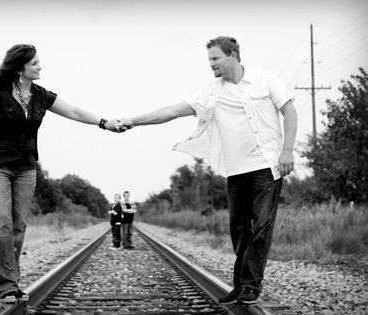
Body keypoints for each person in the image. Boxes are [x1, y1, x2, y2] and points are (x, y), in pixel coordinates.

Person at [117, 36, 297, 304]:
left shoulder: (266, 79)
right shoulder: (211, 91)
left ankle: (250, 286)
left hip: (266, 166)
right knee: (239, 230)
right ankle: (241, 285)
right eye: (209, 59)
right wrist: (133, 120)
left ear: (233, 55)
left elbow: (290, 112)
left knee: (261, 225)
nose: (210, 64)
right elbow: (170, 111)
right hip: (236, 170)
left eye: (215, 59)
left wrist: (287, 151)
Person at [0, 44, 122, 303]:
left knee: (19, 226)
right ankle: (6, 285)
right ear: (20, 67)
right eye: (34, 63)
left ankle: (13, 281)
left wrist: (103, 123)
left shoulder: (41, 96)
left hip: (26, 169)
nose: (40, 67)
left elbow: (74, 111)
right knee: (3, 226)